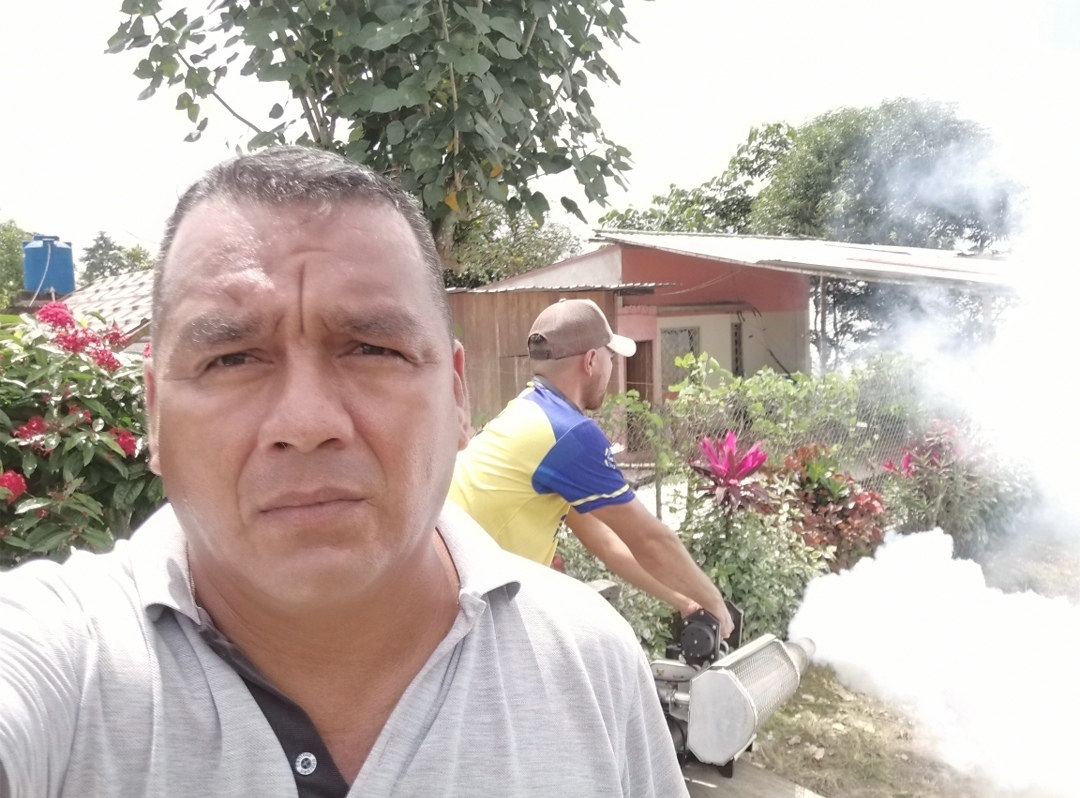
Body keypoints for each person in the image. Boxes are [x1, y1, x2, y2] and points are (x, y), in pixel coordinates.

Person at [0, 147, 689, 797]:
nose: (305, 423)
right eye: (232, 359)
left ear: (456, 393)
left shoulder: (590, 665)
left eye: (371, 349)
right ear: (155, 414)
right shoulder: (63, 658)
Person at [449, 298, 735, 638]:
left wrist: (684, 601)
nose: (612, 366)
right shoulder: (569, 433)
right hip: (461, 605)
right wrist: (714, 602)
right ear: (591, 361)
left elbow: (605, 540)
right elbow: (649, 539)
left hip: (454, 586)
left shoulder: (530, 412)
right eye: (611, 356)